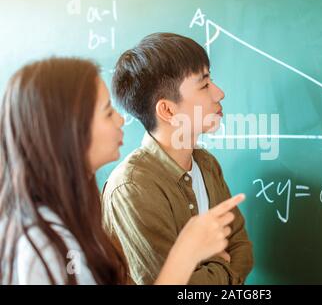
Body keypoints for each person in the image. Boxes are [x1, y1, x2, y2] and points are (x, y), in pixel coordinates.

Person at [0, 57, 244, 284]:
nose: (120, 120)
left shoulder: (77, 217)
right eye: (107, 112)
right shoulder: (39, 247)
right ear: (67, 131)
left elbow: (240, 245)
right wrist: (187, 253)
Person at [102, 33, 253, 285]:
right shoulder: (132, 187)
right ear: (168, 110)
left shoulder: (206, 164)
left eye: (211, 80)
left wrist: (210, 267)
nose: (219, 93)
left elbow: (242, 249)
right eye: (204, 85)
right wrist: (221, 263)